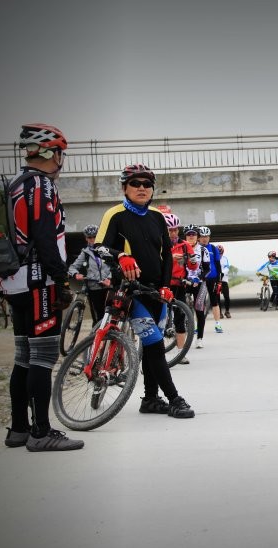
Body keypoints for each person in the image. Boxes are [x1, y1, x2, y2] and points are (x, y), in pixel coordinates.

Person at [0, 123, 83, 451]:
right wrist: (61, 281)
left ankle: (19, 429)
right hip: (38, 284)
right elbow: (46, 239)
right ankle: (41, 433)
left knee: (23, 357)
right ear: (53, 154)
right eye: (61, 154)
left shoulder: (15, 183)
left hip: (14, 283)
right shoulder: (42, 186)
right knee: (43, 357)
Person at [97, 164, 195, 418]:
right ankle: (174, 399)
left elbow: (167, 256)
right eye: (135, 183)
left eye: (147, 184)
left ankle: (150, 399)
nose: (142, 188)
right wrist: (121, 256)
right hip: (130, 293)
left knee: (153, 347)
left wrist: (166, 286)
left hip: (156, 293)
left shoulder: (157, 216)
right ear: (124, 187)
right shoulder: (115, 214)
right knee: (154, 345)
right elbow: (99, 248)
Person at [67, 224, 113, 324]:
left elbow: (114, 266)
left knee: (111, 315)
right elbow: (72, 267)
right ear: (86, 238)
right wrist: (75, 274)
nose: (92, 239)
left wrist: (109, 278)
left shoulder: (107, 249)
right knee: (98, 317)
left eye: (94, 237)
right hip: (94, 288)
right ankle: (96, 333)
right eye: (89, 237)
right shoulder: (85, 252)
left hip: (109, 287)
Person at [165, 211, 194, 364]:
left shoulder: (184, 245)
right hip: (163, 284)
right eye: (170, 230)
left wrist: (193, 262)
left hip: (178, 284)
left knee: (180, 317)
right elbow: (155, 260)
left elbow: (192, 265)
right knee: (159, 317)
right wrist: (170, 257)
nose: (173, 233)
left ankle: (181, 352)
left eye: (175, 230)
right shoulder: (160, 244)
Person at [198, 226, 224, 334]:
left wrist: (219, 280)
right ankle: (198, 326)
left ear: (209, 237)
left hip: (213, 278)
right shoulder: (196, 248)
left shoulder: (213, 248)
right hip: (200, 279)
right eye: (202, 236)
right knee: (199, 304)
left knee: (214, 301)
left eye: (207, 236)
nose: (205, 238)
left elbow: (218, 265)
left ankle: (218, 324)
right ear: (199, 237)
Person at [217, 244, 232, 318]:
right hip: (216, 280)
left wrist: (222, 273)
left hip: (224, 280)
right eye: (218, 253)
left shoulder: (225, 259)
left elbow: (227, 267)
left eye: (221, 253)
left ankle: (227, 311)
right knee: (217, 298)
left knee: (227, 297)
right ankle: (219, 312)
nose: (220, 255)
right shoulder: (212, 259)